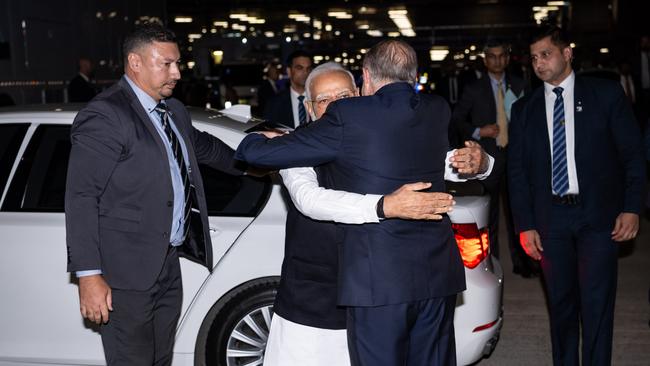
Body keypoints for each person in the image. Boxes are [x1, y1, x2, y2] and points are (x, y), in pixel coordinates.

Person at [236, 40, 481, 366]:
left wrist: (259, 136)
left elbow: (252, 154)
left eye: (342, 96)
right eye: (324, 99)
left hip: (377, 282)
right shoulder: (436, 109)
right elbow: (311, 196)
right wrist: (485, 163)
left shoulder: (348, 118)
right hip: (435, 275)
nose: (335, 104)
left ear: (364, 79)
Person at [65, 23, 244, 365]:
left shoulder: (171, 110)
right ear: (135, 62)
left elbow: (208, 150)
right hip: (124, 272)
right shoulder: (107, 115)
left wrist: (266, 156)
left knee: (160, 359)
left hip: (165, 264)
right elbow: (82, 196)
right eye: (166, 64)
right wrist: (89, 276)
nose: (176, 73)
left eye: (178, 63)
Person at [508, 25, 646, 365]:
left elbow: (632, 155)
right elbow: (518, 173)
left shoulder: (605, 95)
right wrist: (525, 225)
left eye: (546, 54)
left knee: (597, 304)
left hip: (598, 217)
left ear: (567, 53)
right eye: (534, 58)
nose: (539, 63)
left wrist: (631, 207)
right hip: (550, 219)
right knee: (561, 305)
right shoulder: (524, 109)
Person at [451, 41, 534, 277]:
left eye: (501, 56)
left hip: (516, 157)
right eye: (492, 57)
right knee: (491, 215)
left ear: (507, 59)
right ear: (485, 60)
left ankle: (523, 262)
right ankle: (492, 262)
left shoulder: (520, 84)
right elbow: (457, 119)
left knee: (518, 211)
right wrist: (479, 131)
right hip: (488, 160)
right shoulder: (474, 88)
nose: (497, 61)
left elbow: (531, 118)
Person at [264, 50, 313, 127]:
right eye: (299, 68)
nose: (305, 72)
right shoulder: (274, 103)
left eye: (308, 68)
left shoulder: (319, 100)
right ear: (289, 71)